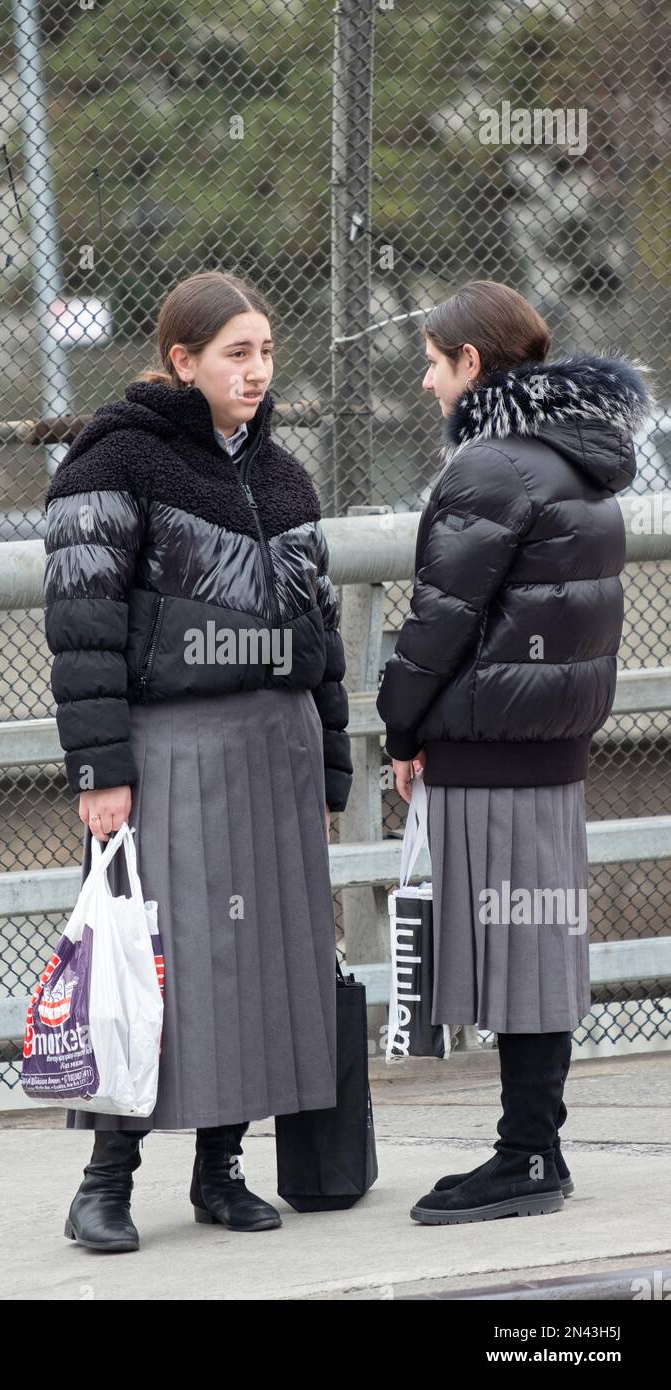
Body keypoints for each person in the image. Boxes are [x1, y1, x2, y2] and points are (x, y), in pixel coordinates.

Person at [42, 269, 353, 1252]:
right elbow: (80, 629)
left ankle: (221, 1169)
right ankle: (105, 1180)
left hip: (276, 750)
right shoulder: (113, 463)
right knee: (153, 961)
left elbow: (323, 636)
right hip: (172, 753)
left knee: (253, 962)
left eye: (264, 351)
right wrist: (101, 771)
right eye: (235, 353)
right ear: (183, 360)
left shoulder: (284, 476)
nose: (256, 371)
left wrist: (330, 775)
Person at [376, 279, 651, 1225]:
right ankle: (533, 1148)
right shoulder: (578, 461)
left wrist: (400, 726)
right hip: (552, 747)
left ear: (472, 365)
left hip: (489, 745)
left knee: (517, 952)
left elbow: (439, 622)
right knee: (535, 946)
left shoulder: (490, 468)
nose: (424, 381)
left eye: (431, 361)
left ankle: (528, 1157)